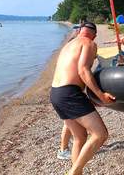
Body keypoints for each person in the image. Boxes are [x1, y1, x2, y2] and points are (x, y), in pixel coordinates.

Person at [50, 21, 115, 175]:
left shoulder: (69, 45)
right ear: (95, 35)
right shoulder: (89, 43)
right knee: (100, 134)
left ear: (79, 31)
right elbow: (83, 70)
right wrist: (101, 95)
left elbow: (71, 73)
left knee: (79, 137)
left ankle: (76, 173)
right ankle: (74, 171)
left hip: (56, 93)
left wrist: (90, 98)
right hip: (70, 94)